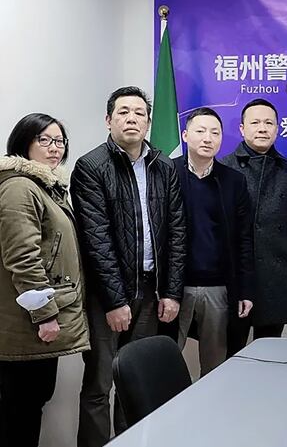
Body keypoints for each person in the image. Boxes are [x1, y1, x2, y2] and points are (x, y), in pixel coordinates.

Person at [71, 86, 186, 447]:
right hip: (107, 297)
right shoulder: (91, 166)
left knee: (136, 383)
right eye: (123, 112)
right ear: (109, 120)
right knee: (99, 384)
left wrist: (171, 292)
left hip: (150, 293)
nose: (131, 118)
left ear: (148, 122)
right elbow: (96, 239)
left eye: (139, 113)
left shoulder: (163, 166)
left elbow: (177, 232)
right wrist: (115, 300)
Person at [0, 114, 90, 447]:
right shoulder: (19, 188)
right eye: (45, 140)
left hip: (34, 326)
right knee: (19, 411)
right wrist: (45, 315)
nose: (55, 148)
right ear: (24, 142)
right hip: (26, 326)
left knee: (31, 404)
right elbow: (23, 258)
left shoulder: (45, 186)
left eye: (60, 141)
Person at [220, 98, 287, 352]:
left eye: (269, 123)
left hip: (276, 274)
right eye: (255, 123)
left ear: (277, 129)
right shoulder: (225, 168)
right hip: (236, 276)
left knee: (270, 352)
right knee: (232, 353)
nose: (262, 128)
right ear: (242, 129)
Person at [173, 107, 254, 375]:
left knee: (215, 367)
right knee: (163, 361)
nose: (208, 138)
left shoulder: (233, 181)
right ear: (185, 135)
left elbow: (244, 239)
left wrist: (244, 290)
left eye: (215, 133)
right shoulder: (167, 173)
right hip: (175, 289)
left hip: (218, 287)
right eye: (200, 131)